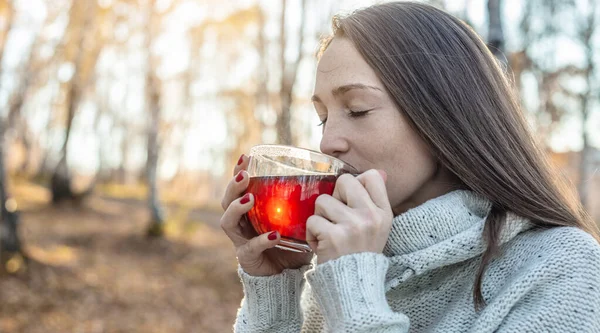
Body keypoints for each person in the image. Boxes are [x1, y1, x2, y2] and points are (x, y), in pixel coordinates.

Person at [220, 2, 600, 332]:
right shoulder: (341, 264)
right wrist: (274, 292)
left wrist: (354, 293)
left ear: (444, 114)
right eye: (323, 118)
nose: (327, 142)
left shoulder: (561, 267)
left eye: (357, 109)